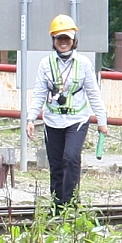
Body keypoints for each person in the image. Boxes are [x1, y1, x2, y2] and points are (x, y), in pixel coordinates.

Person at [25, 14, 108, 212]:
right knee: (55, 164)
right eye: (59, 38)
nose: (63, 42)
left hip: (77, 119)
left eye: (67, 39)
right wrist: (30, 118)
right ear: (53, 40)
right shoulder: (46, 64)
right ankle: (57, 206)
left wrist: (102, 121)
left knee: (70, 158)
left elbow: (93, 93)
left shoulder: (84, 64)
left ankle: (71, 204)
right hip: (53, 119)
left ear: (73, 41)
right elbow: (38, 93)